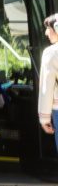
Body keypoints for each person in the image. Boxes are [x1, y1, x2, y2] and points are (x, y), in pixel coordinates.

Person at [37, 14, 58, 147]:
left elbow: (46, 89)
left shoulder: (51, 53)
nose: (46, 33)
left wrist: (44, 118)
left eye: (48, 28)